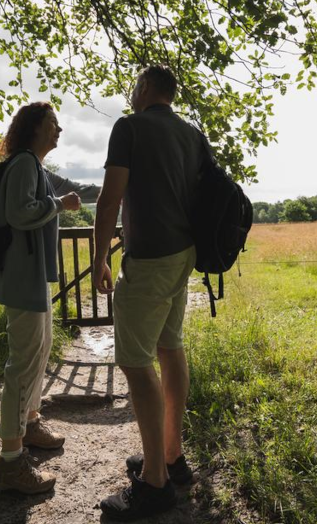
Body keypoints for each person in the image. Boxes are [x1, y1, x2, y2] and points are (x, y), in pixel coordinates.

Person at [93, 66, 204, 519]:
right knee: (170, 348)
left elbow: (109, 198)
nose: (131, 94)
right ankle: (171, 456)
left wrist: (99, 256)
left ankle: (155, 482)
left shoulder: (130, 127)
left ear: (145, 89)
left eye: (134, 87)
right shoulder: (191, 133)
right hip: (183, 255)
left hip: (150, 259)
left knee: (135, 362)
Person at [0, 101, 98, 494]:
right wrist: (59, 205)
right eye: (53, 123)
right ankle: (10, 464)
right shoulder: (22, 165)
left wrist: (113, 187)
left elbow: (67, 192)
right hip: (20, 278)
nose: (59, 130)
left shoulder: (35, 167)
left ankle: (29, 424)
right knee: (23, 363)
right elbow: (20, 213)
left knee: (41, 349)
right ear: (34, 127)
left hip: (32, 277)